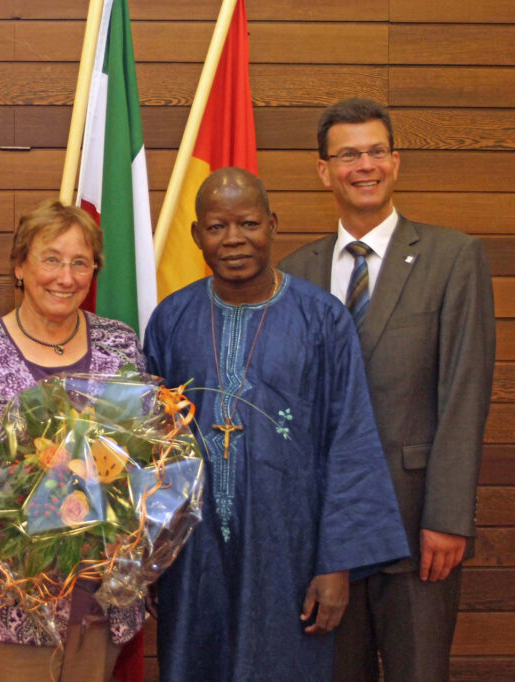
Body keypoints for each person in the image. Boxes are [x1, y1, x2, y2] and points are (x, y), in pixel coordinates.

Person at [145, 167, 409, 680]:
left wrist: (336, 564)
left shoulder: (322, 319)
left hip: (288, 550)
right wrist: (152, 554)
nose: (234, 239)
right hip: (192, 556)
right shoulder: (171, 319)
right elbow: (150, 444)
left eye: (247, 223)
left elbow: (349, 440)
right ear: (197, 235)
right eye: (217, 227)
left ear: (272, 224)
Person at [280, 97, 496, 681]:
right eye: (348, 155)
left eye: (376, 151)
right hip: (327, 540)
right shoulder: (294, 274)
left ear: (396, 163)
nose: (364, 165)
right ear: (324, 171)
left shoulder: (454, 258)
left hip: (417, 527)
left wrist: (449, 515)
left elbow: (465, 393)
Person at [0, 200, 147, 681]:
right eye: (51, 259)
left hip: (101, 596)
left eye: (80, 262)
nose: (65, 277)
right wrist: (36, 519)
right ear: (20, 265)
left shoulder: (120, 345)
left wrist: (111, 493)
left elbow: (147, 450)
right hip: (9, 599)